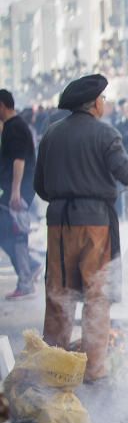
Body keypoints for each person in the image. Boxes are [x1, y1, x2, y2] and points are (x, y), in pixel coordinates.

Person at [34, 74, 128, 383]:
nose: (105, 104)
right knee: (97, 295)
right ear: (95, 103)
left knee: (58, 294)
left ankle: (54, 368)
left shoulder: (52, 133)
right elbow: (125, 171)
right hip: (95, 223)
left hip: (58, 223)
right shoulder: (104, 133)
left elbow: (40, 187)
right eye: (104, 100)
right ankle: (94, 369)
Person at [0, 89, 42, 300]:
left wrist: (16, 191)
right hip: (14, 189)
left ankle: (26, 280)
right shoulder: (11, 126)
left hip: (17, 190)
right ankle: (31, 267)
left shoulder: (14, 127)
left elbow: (19, 160)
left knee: (15, 234)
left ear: (2, 105)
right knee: (7, 233)